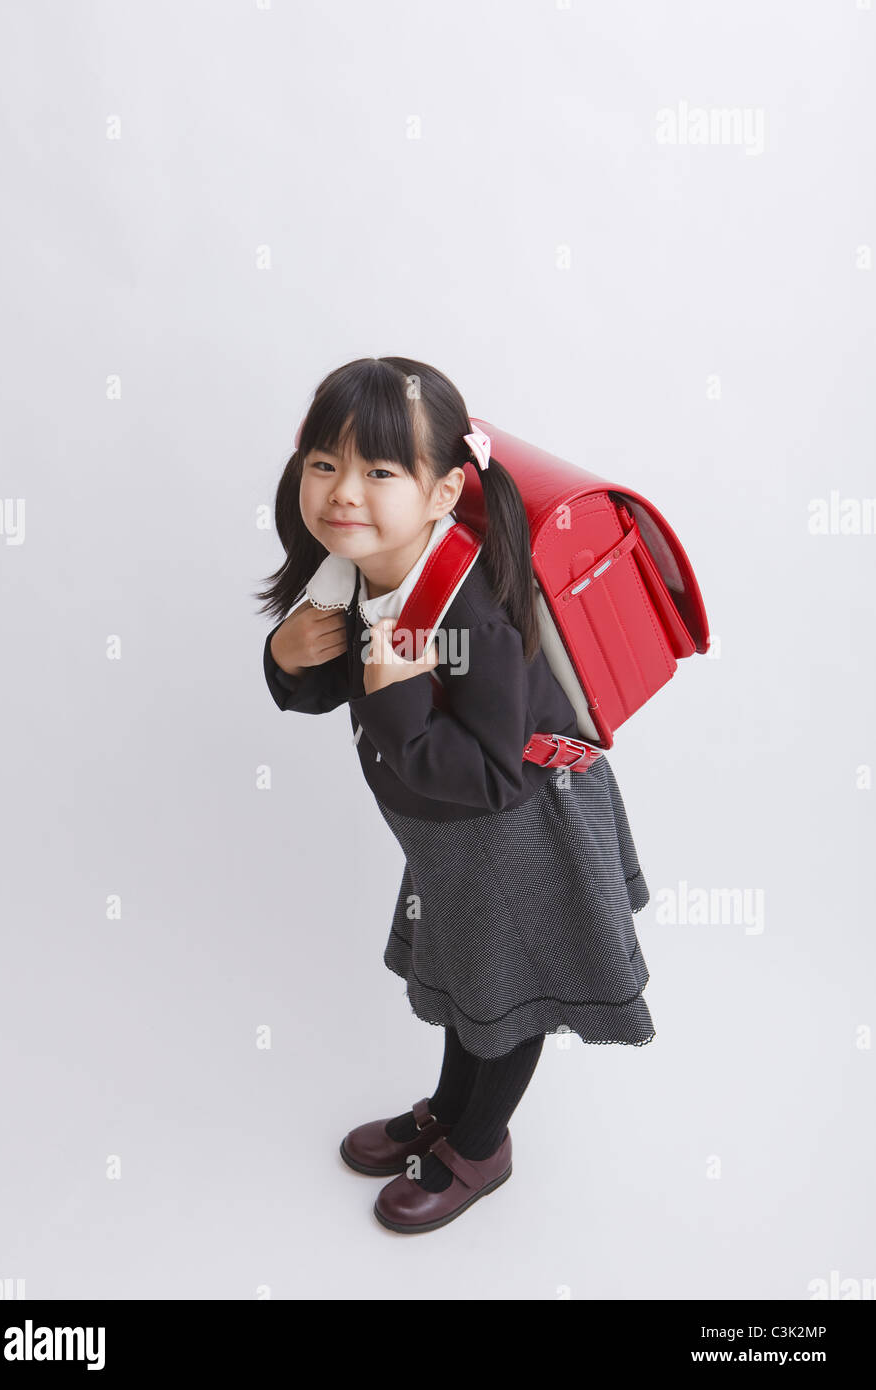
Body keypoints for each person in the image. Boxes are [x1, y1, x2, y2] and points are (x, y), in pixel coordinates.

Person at [256, 356, 654, 1235]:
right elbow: (344, 682)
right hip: (450, 835)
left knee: (505, 997)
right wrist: (287, 662)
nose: (342, 492)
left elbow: (490, 773)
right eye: (325, 463)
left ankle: (480, 1147)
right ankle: (447, 1110)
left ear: (442, 495)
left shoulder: (465, 610)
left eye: (380, 471)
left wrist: (396, 688)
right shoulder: (356, 567)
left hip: (524, 826)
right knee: (472, 981)